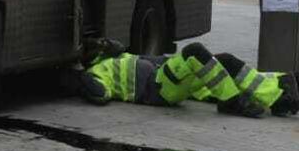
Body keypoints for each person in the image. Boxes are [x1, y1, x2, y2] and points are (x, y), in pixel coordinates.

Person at [76, 40, 261, 116]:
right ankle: (231, 102)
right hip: (158, 88)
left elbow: (120, 47)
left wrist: (110, 47)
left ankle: (277, 92)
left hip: (168, 76)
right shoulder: (96, 72)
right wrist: (84, 80)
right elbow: (102, 95)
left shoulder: (116, 57)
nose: (103, 45)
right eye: (98, 46)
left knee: (223, 60)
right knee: (194, 51)